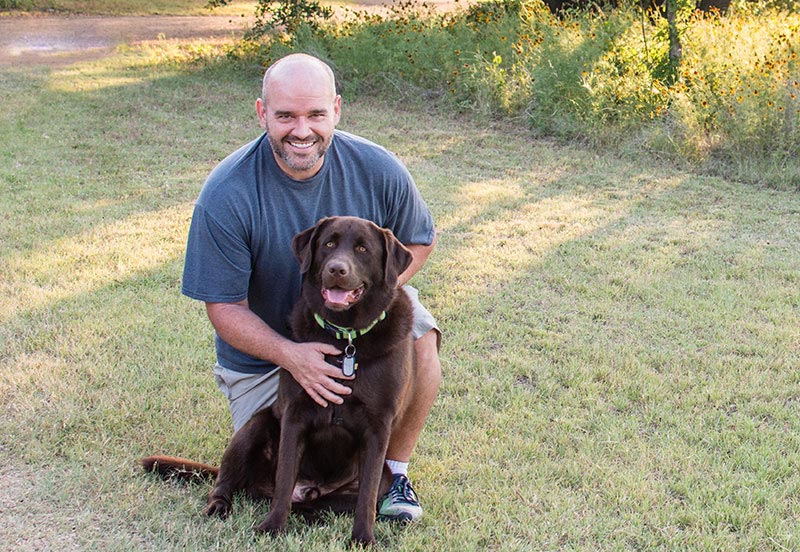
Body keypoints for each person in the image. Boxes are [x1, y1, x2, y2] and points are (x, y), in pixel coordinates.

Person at [181, 53, 441, 522]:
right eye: (285, 116)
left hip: (358, 336)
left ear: (336, 110)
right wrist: (291, 355)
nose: (302, 130)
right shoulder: (227, 192)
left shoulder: (377, 166)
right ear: (262, 113)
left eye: (315, 114)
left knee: (419, 326)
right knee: (273, 470)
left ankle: (394, 474)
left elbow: (420, 239)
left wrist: (370, 297)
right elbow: (222, 307)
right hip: (266, 362)